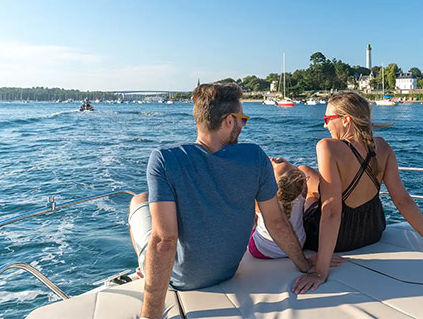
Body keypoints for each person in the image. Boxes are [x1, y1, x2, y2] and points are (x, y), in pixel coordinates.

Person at [127, 83, 314, 319]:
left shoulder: (164, 160)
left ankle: (143, 269)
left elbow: (164, 240)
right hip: (226, 271)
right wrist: (305, 265)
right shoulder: (255, 157)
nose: (242, 126)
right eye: (242, 119)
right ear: (229, 121)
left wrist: (150, 314)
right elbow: (277, 223)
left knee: (137, 201)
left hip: (180, 279)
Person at [294, 92, 423, 294]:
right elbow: (402, 199)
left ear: (346, 120)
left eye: (327, 119)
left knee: (304, 178)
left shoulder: (327, 147)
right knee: (310, 175)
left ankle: (311, 199)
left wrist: (320, 271)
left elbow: (332, 212)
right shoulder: (382, 147)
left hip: (339, 240)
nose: (325, 125)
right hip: (372, 231)